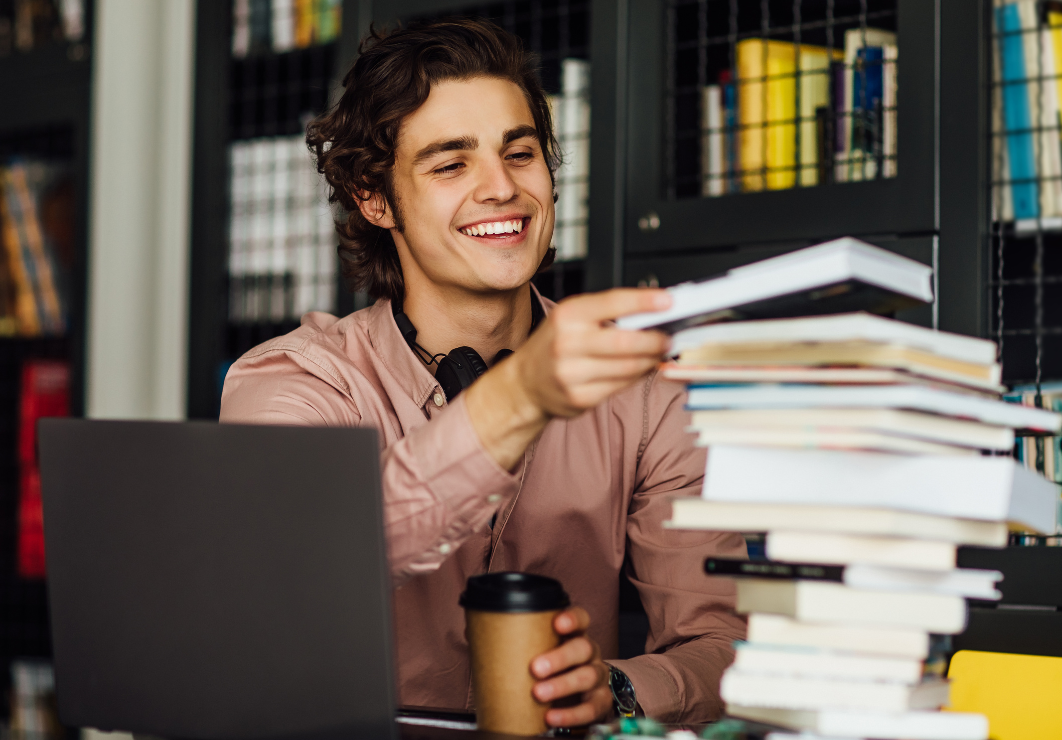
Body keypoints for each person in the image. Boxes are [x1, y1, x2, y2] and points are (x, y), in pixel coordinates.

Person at [219, 18, 745, 726]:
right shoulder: (290, 382)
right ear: (375, 199)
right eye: (450, 163)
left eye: (519, 153)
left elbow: (722, 644)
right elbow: (305, 565)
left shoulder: (647, 392)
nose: (502, 188)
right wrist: (520, 396)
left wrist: (618, 688)